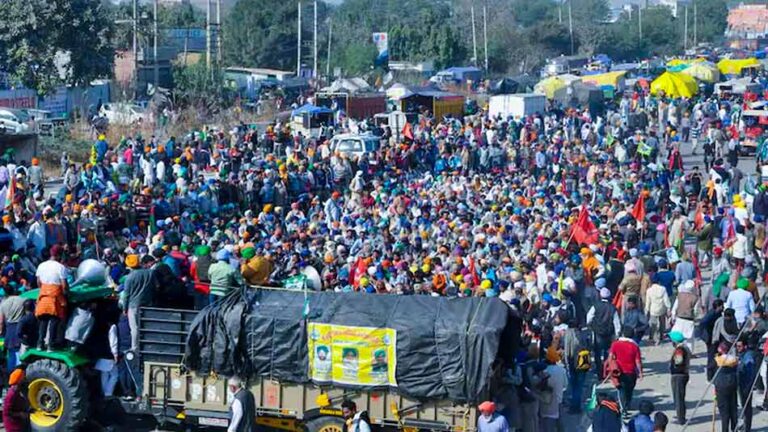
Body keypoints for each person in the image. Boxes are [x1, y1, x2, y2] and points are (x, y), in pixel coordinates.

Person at [35, 244, 69, 350]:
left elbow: (38, 282)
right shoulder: (61, 267)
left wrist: (45, 289)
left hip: (43, 297)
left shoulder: (41, 265)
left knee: (43, 320)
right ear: (59, 255)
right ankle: (51, 345)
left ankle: (39, 344)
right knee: (54, 321)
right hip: (55, 298)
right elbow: (64, 285)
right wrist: (66, 292)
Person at [122, 254, 158, 352]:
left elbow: (126, 295)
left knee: (134, 328)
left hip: (133, 305)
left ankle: (135, 348)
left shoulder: (129, 277)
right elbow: (156, 287)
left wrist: (124, 309)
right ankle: (149, 345)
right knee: (147, 326)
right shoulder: (150, 273)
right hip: (148, 304)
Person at [608, 326, 643, 416]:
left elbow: (610, 357)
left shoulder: (615, 344)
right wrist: (640, 373)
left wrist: (610, 367)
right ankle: (627, 404)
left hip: (620, 372)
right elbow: (638, 361)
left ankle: (623, 408)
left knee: (621, 390)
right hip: (631, 372)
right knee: (629, 389)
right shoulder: (634, 346)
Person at [587, 287, 621, 377]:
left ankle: (599, 372)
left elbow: (589, 318)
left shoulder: (595, 306)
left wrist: (590, 325)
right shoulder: (612, 308)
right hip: (609, 333)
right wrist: (617, 334)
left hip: (597, 333)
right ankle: (606, 371)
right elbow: (616, 322)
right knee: (607, 352)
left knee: (597, 353)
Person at [539, 347, 567, 432]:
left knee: (548, 427)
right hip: (559, 400)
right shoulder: (562, 370)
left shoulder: (544, 371)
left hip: (548, 402)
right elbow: (565, 385)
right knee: (560, 425)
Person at [714, 342, 739, 432]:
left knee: (724, 411)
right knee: (733, 409)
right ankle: (734, 428)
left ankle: (725, 430)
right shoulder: (734, 360)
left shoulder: (718, 360)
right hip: (732, 384)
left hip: (721, 386)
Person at [0, 286, 26, 369]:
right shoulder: (22, 299)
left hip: (10, 329)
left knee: (12, 353)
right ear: (14, 290)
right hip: (21, 327)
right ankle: (18, 373)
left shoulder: (3, 304)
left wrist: (0, 331)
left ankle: (11, 374)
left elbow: (1, 321)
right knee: (20, 352)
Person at [668, 331, 691, 424]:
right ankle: (680, 415)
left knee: (678, 398)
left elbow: (679, 361)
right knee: (680, 396)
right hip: (683, 374)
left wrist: (673, 365)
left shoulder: (679, 349)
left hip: (679, 375)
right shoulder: (685, 347)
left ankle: (681, 418)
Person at [698, 299, 724, 381]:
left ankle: (714, 374)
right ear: (718, 306)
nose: (723, 307)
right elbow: (702, 322)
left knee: (715, 355)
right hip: (710, 338)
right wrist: (707, 333)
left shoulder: (717, 313)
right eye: (722, 306)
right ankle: (710, 376)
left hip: (714, 338)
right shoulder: (712, 314)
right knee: (711, 356)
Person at [670, 279, 698, 353]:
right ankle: (689, 352)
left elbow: (675, 307)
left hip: (679, 318)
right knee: (690, 338)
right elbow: (695, 311)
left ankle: (678, 348)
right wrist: (695, 318)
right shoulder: (695, 297)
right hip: (689, 319)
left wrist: (673, 316)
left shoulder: (680, 295)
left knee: (679, 335)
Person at [736, 338, 756, 432]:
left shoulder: (748, 356)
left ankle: (747, 428)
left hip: (746, 385)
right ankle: (744, 424)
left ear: (745, 346)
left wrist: (739, 365)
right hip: (741, 383)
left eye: (739, 346)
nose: (737, 348)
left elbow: (750, 370)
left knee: (747, 407)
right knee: (743, 406)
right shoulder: (740, 354)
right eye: (737, 346)